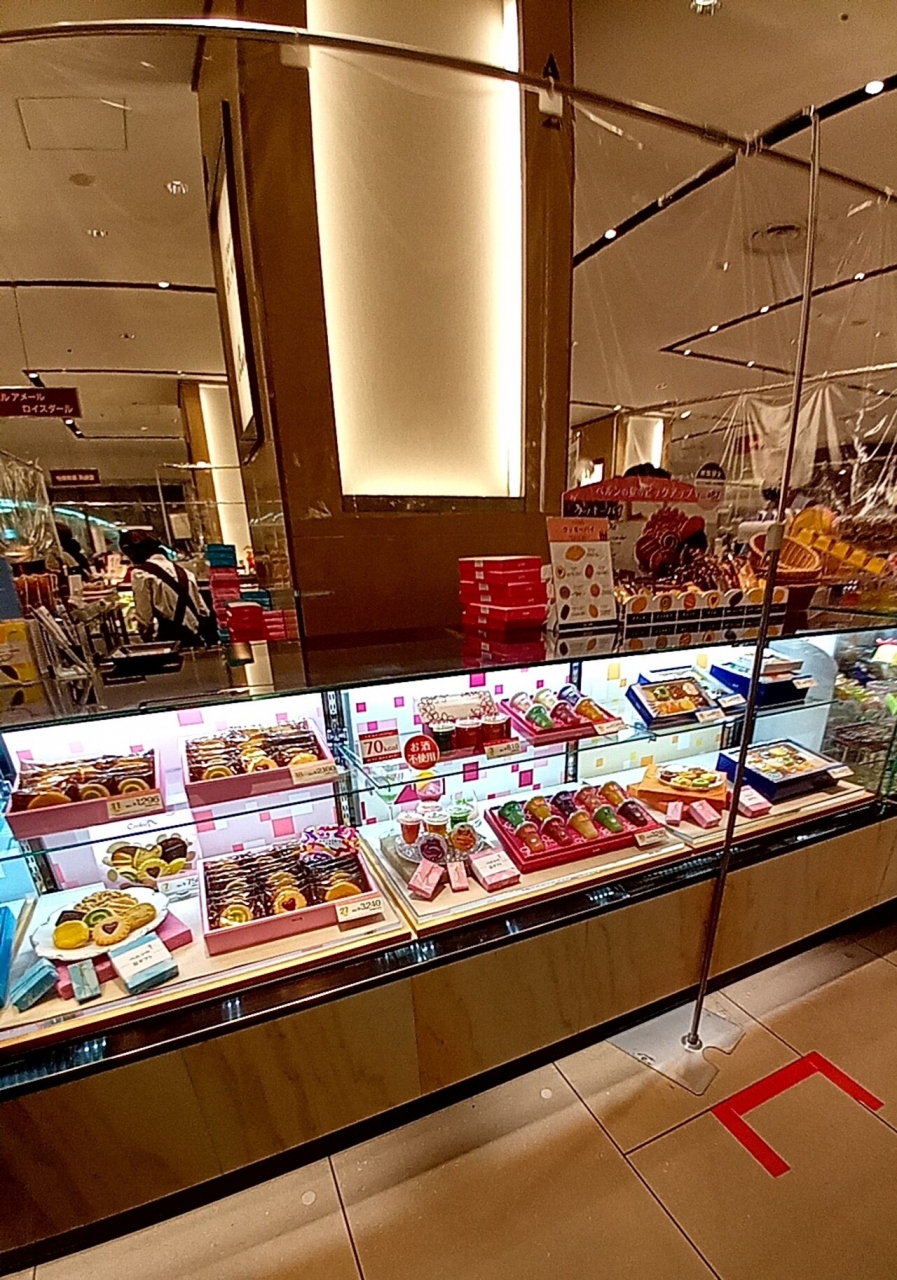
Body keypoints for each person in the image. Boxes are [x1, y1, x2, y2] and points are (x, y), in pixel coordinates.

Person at [119, 531, 209, 647]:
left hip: (170, 639)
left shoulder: (141, 574)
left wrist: (145, 636)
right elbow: (203, 611)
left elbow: (144, 616)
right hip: (195, 637)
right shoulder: (186, 573)